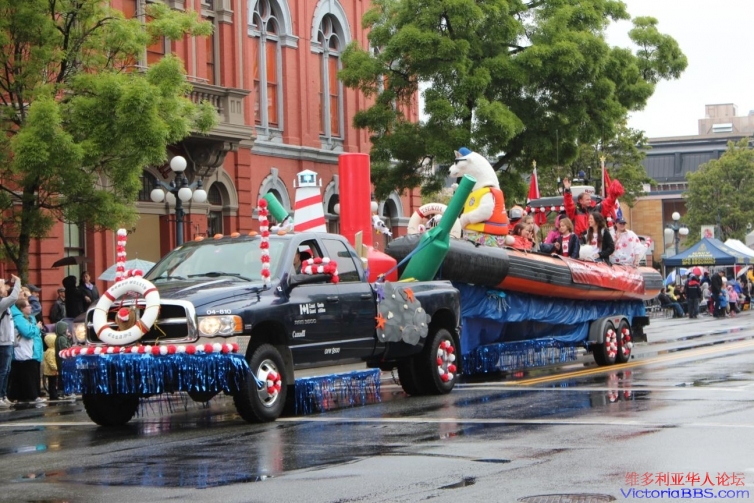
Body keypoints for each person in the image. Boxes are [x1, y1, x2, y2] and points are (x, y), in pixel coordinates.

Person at [8, 298, 46, 403]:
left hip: (28, 350)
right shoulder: (19, 318)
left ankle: (23, 396)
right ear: (22, 308)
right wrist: (37, 327)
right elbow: (28, 332)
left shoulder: (28, 318)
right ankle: (32, 395)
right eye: (28, 305)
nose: (30, 307)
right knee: (27, 375)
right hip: (23, 351)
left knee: (26, 374)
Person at [0, 275, 21, 408]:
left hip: (8, 341)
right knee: (2, 370)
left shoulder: (4, 304)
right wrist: (18, 282)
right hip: (3, 342)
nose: (7, 287)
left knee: (6, 370)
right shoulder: (1, 303)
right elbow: (14, 297)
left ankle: (3, 395)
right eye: (4, 285)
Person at [53, 321, 71, 398]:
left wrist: (69, 339)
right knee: (63, 376)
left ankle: (64, 391)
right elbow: (65, 348)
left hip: (62, 361)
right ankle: (63, 391)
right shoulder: (61, 338)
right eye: (66, 329)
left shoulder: (62, 338)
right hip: (62, 361)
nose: (68, 330)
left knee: (63, 375)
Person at [42, 333, 59, 400]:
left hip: (50, 371)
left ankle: (54, 394)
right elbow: (51, 361)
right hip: (51, 371)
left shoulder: (49, 350)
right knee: (52, 383)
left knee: (52, 383)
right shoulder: (51, 351)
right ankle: (53, 395)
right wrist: (56, 368)